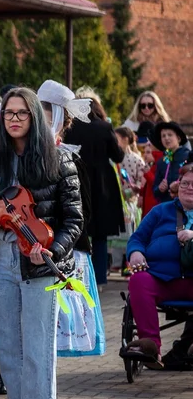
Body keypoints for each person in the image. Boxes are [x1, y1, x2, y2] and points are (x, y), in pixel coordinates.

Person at [0, 87, 83, 399]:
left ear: (35, 116)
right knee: (9, 350)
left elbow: (74, 221)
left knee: (38, 352)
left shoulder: (58, 160)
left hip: (41, 263)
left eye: (22, 113)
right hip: (4, 257)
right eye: (9, 113)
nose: (15, 119)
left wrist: (51, 250)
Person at [123, 164, 193, 368]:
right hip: (161, 278)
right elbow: (137, 238)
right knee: (139, 280)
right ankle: (150, 346)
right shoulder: (160, 211)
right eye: (185, 183)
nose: (189, 188)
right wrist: (136, 252)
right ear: (177, 185)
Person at [63, 93, 124, 283]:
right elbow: (118, 156)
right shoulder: (104, 127)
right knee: (100, 234)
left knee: (74, 229)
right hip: (102, 184)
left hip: (76, 179)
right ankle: (99, 279)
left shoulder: (69, 128)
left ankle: (75, 275)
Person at [148, 121, 190, 206]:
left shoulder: (188, 157)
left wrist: (180, 186)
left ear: (178, 138)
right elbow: (155, 191)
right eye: (163, 136)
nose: (166, 138)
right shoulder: (162, 162)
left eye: (170, 135)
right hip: (166, 208)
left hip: (185, 207)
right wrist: (159, 189)